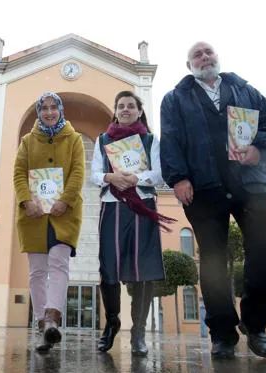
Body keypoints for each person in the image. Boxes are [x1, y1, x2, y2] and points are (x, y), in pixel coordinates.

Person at [160, 42, 266, 359]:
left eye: (208, 52)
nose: (204, 58)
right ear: (189, 65)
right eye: (197, 55)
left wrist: (259, 149)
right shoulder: (175, 99)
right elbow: (171, 139)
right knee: (213, 260)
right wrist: (178, 177)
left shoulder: (245, 90)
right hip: (203, 188)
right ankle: (223, 333)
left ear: (217, 58)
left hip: (249, 184)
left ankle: (255, 326)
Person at [91, 91, 173, 357]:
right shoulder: (102, 140)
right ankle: (112, 321)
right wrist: (110, 177)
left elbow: (160, 175)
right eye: (121, 106)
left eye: (130, 106)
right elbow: (93, 174)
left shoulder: (150, 140)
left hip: (142, 206)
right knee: (109, 268)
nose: (125, 109)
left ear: (139, 111)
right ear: (115, 111)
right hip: (113, 207)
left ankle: (138, 331)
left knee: (143, 271)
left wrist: (136, 179)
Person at [13, 92, 85, 352]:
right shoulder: (27, 141)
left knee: (58, 263)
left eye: (54, 107)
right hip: (33, 216)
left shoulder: (74, 139)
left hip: (64, 214)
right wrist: (25, 200)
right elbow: (19, 173)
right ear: (38, 111)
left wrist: (65, 199)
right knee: (37, 271)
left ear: (61, 110)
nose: (50, 112)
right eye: (44, 108)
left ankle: (52, 318)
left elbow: (78, 171)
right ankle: (42, 324)